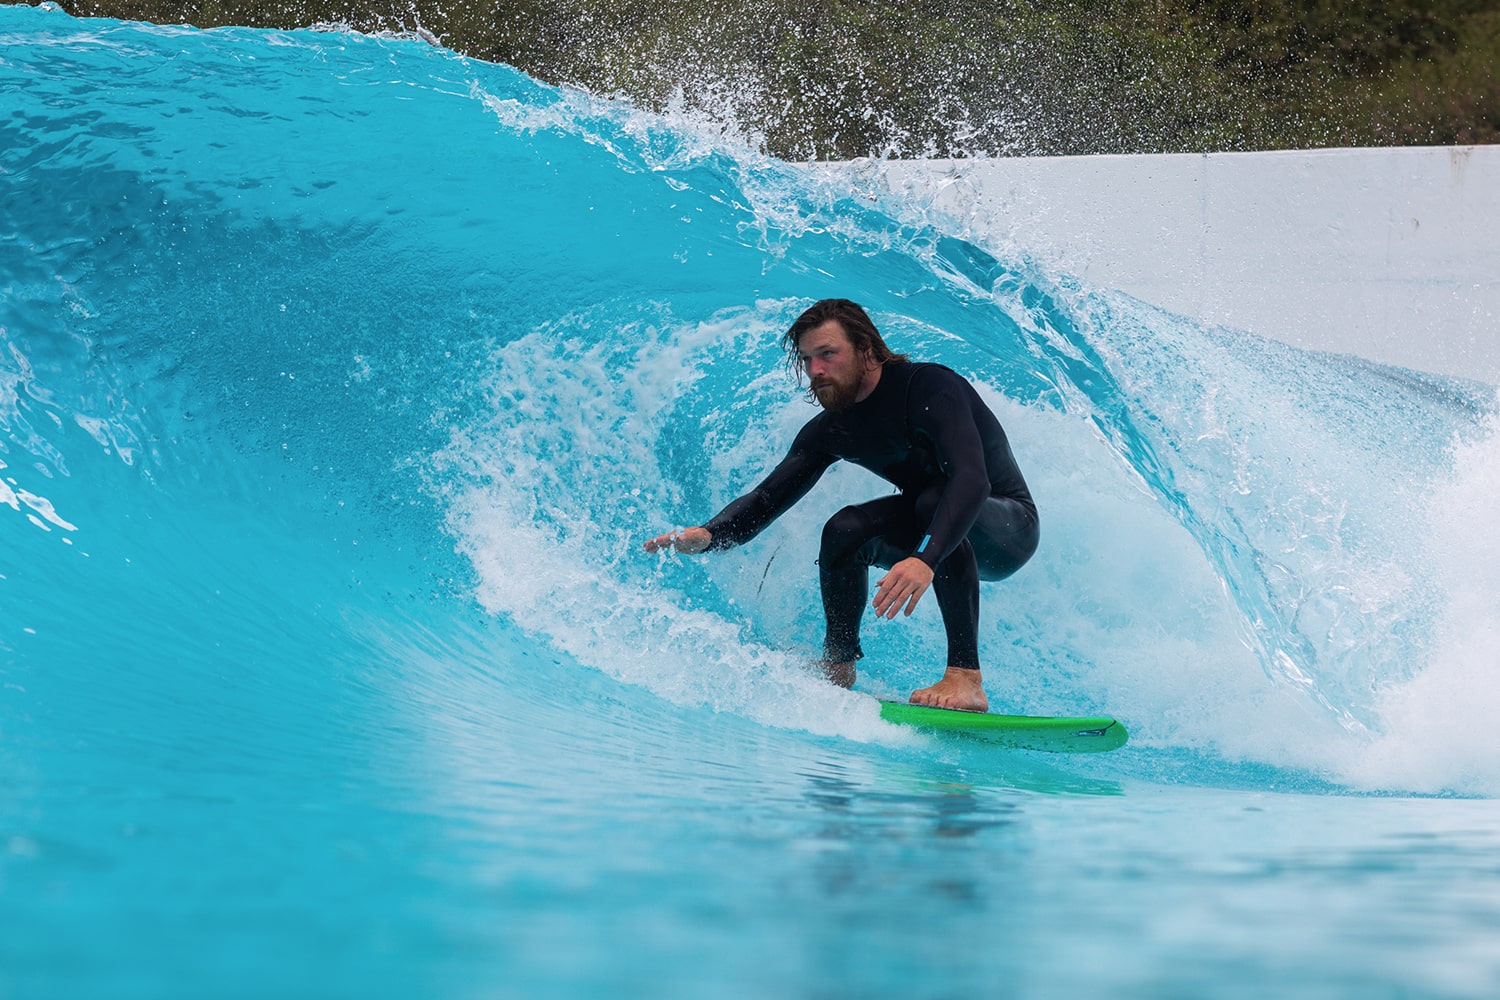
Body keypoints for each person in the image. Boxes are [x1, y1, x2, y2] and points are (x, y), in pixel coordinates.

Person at [644, 299, 1038, 712]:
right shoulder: (835, 428)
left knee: (933, 498)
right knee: (844, 530)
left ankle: (965, 677)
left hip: (1006, 527)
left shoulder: (929, 388)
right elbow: (767, 498)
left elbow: (972, 480)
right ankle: (839, 665)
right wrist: (710, 534)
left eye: (828, 354)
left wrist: (926, 558)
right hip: (933, 525)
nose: (815, 370)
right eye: (808, 359)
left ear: (867, 349)